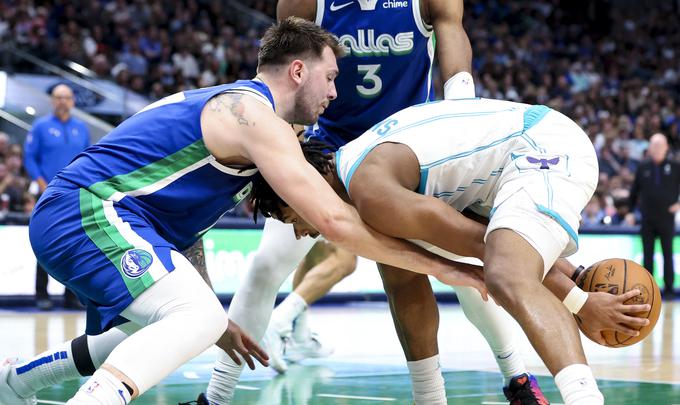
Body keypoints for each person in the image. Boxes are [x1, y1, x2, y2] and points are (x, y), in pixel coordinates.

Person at [0, 18, 482, 405]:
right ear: (298, 71)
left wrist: (210, 317)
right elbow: (336, 221)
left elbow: (181, 229)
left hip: (98, 217)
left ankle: (15, 383)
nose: (336, 93)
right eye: (331, 77)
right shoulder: (253, 114)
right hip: (85, 212)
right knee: (197, 317)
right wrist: (444, 267)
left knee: (161, 326)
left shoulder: (246, 124)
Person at [205, 2, 552, 404]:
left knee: (463, 279)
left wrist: (461, 110)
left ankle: (518, 380)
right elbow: (285, 73)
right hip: (327, 156)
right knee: (268, 264)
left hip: (408, 155)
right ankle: (215, 396)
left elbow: (452, 32)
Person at [251, 97, 631, 405]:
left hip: (544, 146)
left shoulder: (371, 193)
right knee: (399, 275)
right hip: (513, 162)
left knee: (504, 274)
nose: (301, 233)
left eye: (290, 217)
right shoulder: (362, 174)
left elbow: (486, 247)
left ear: (306, 182)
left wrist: (580, 302)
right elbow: (420, 275)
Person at [23, 83, 91, 310]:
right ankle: (41, 294)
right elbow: (30, 158)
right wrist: (42, 184)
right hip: (47, 195)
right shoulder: (40, 126)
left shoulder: (81, 128)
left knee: (75, 244)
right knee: (45, 242)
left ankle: (72, 295)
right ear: (52, 100)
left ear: (72, 101)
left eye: (67, 97)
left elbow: (87, 159)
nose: (62, 101)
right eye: (58, 97)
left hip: (74, 195)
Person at [629, 133, 680, 300]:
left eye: (660, 146)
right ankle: (649, 289)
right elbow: (634, 191)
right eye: (654, 146)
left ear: (666, 147)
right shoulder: (643, 167)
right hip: (648, 218)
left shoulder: (675, 166)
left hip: (667, 217)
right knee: (648, 254)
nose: (657, 149)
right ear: (649, 148)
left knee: (667, 253)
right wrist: (630, 212)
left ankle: (670, 289)